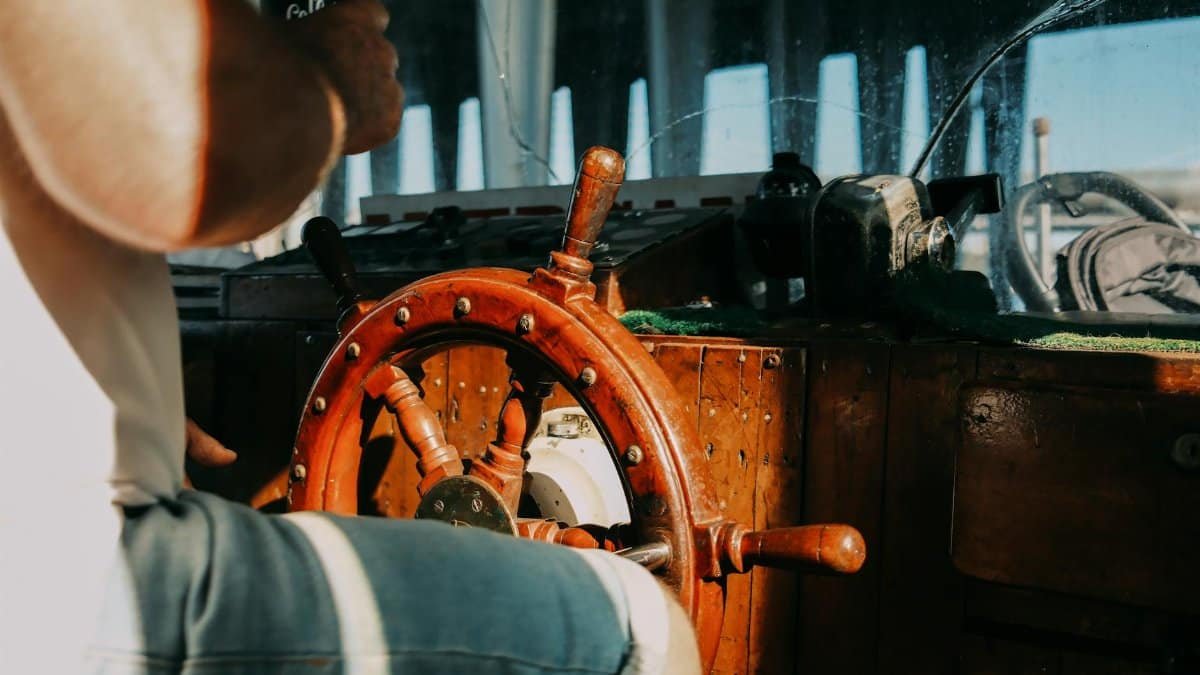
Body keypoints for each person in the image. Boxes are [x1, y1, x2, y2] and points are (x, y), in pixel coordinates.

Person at [0, 2, 700, 673]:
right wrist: (328, 82)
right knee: (644, 630)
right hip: (74, 576)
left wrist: (104, 396)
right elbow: (176, 143)